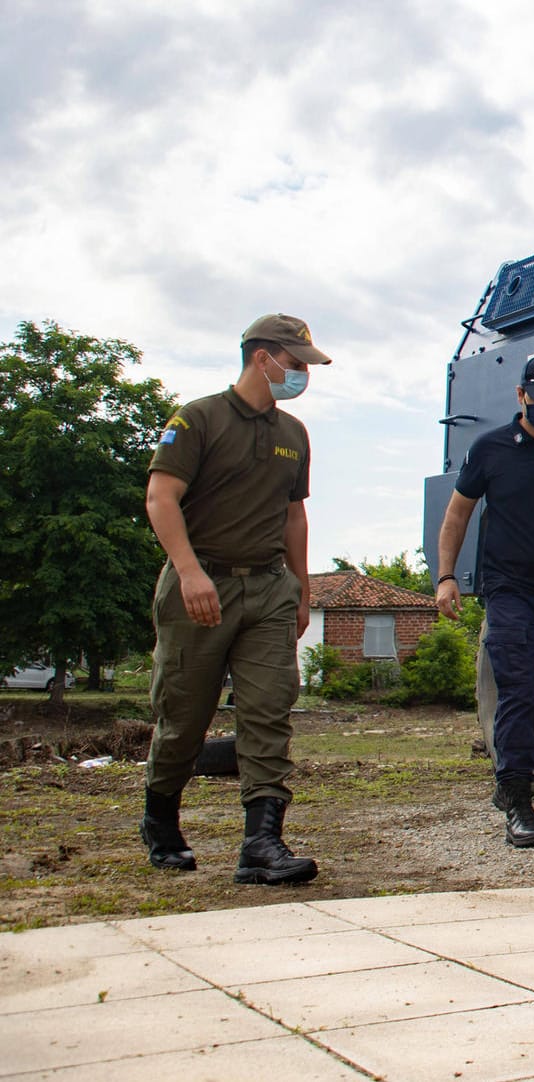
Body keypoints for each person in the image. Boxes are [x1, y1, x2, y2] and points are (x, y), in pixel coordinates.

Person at [140, 313, 329, 885]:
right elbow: (160, 498)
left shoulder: (294, 433)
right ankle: (161, 820)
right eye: (295, 364)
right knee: (184, 716)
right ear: (261, 357)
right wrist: (190, 572)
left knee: (268, 710)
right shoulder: (198, 419)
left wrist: (301, 588)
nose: (302, 375)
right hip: (200, 584)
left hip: (268, 589)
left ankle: (262, 842)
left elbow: (294, 514)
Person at [435, 355, 534, 848]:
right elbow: (457, 515)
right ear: (521, 395)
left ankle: (512, 782)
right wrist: (446, 576)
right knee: (519, 686)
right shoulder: (490, 449)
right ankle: (517, 798)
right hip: (508, 591)